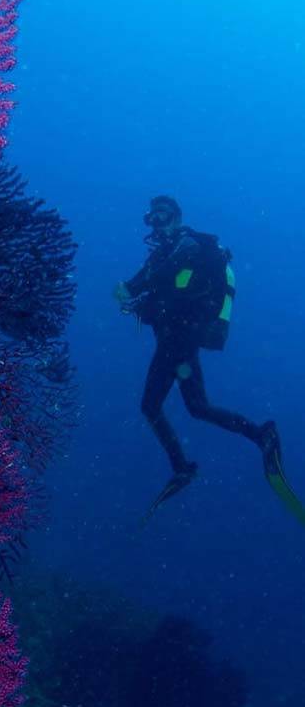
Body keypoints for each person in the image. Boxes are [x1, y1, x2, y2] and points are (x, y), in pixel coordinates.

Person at [115, 195, 286, 521]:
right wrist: (138, 301)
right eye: (151, 217)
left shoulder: (188, 244)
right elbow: (156, 291)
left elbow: (157, 278)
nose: (156, 222)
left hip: (179, 340)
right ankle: (258, 435)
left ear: (177, 217)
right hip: (177, 340)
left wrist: (131, 287)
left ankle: (184, 467)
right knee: (197, 407)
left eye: (162, 215)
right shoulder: (163, 253)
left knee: (153, 406)